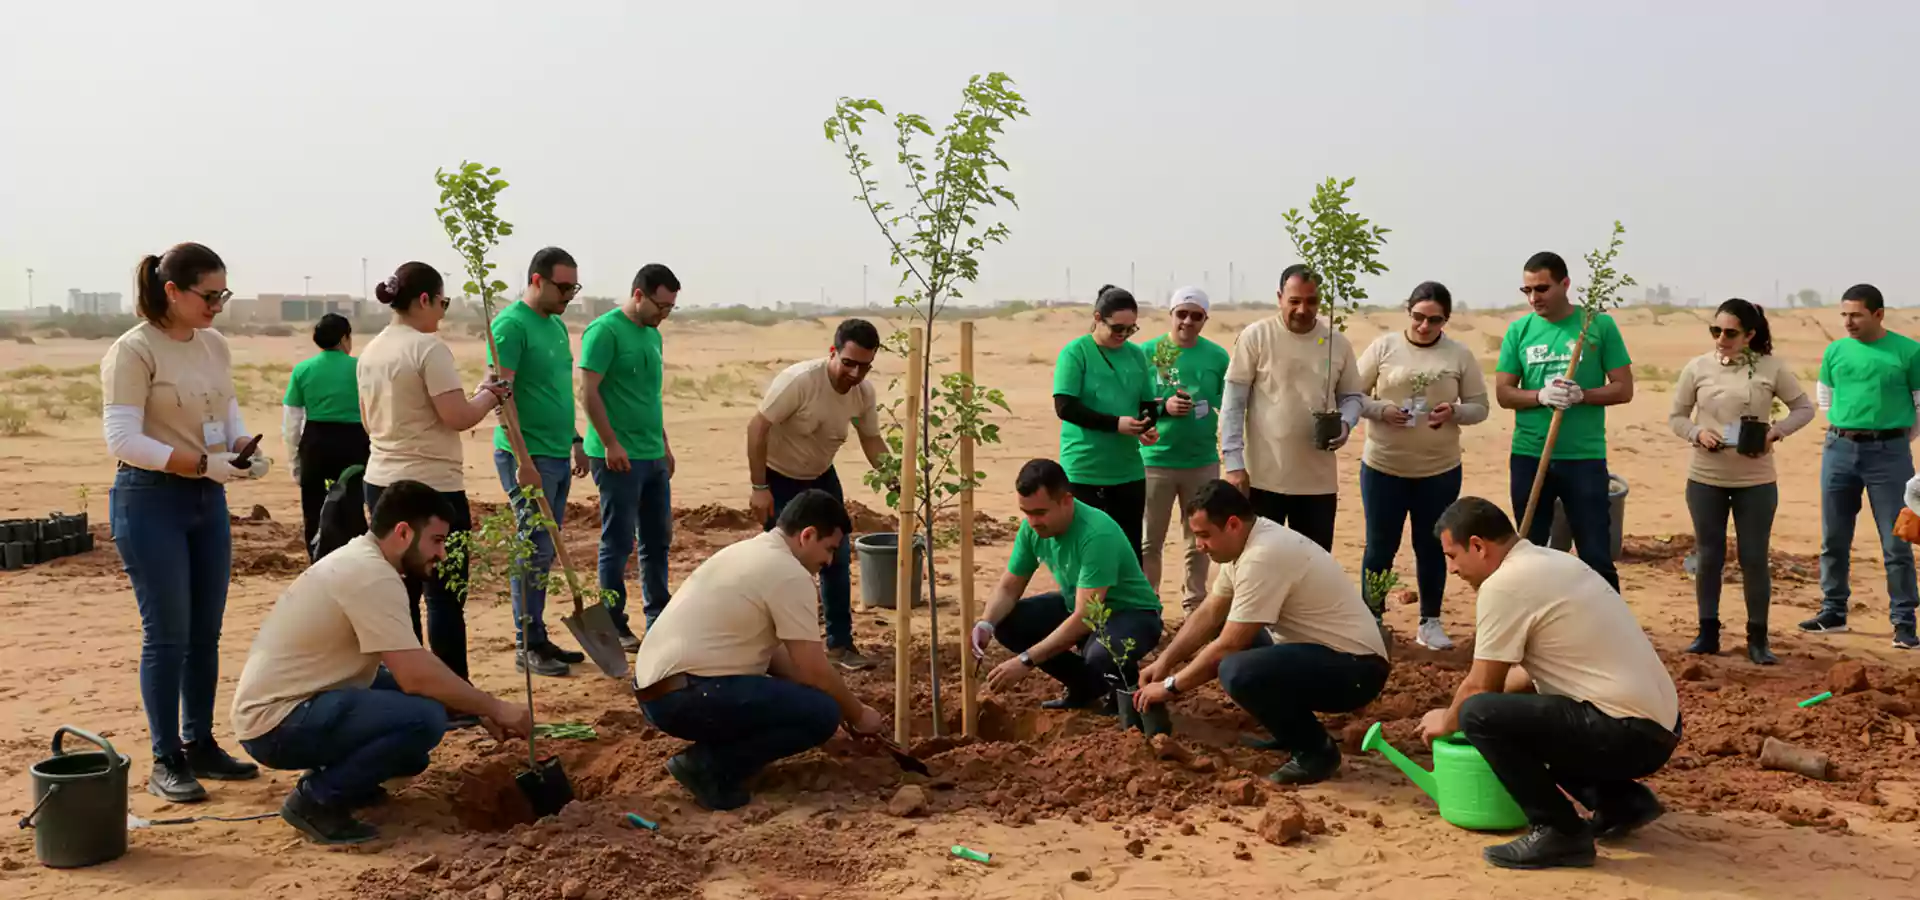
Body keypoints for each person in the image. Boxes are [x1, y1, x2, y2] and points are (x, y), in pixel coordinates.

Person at [232, 481, 534, 845]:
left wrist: (471, 702)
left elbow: (412, 665)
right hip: (277, 724)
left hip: (300, 702)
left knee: (414, 746)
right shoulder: (372, 575)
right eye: (436, 541)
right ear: (404, 532)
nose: (441, 554)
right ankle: (316, 799)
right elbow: (415, 675)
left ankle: (348, 783)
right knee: (422, 720)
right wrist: (495, 707)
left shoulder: (362, 560)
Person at [1420, 497, 1679, 870]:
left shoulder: (1504, 584)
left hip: (1626, 733)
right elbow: (1529, 676)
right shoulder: (1554, 561)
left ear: (1478, 546)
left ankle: (1560, 831)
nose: (1453, 569)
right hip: (1661, 727)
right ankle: (1620, 802)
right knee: (1526, 711)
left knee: (1478, 714)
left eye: (1453, 556)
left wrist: (1447, 719)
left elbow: (1481, 689)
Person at [102, 242, 269, 803]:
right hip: (151, 501)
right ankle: (165, 755)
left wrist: (243, 447)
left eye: (224, 293)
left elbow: (225, 411)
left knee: (206, 633)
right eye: (209, 294)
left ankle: (201, 742)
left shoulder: (213, 344)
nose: (217, 305)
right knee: (167, 635)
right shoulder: (133, 351)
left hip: (207, 501)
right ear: (171, 291)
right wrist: (200, 463)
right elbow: (123, 440)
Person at [632, 489, 887, 811]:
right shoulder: (789, 574)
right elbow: (813, 669)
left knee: (813, 705)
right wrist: (856, 713)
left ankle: (714, 756)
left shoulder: (749, 551)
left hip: (658, 692)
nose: (829, 562)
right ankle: (708, 766)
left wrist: (816, 705)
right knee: (821, 712)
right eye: (829, 549)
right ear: (807, 535)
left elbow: (780, 658)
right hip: (687, 696)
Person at [1134, 480, 1389, 784]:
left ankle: (1315, 752)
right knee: (1241, 641)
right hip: (1325, 656)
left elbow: (1228, 646)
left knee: (1236, 668)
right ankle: (1290, 731)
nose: (1199, 546)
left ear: (1231, 525)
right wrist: (1164, 663)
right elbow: (1210, 612)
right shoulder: (1246, 542)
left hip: (1357, 671)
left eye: (1204, 536)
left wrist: (1171, 686)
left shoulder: (1263, 555)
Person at [358, 262, 510, 684]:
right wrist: (489, 395)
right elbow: (457, 416)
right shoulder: (428, 349)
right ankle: (451, 691)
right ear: (423, 299)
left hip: (381, 481)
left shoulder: (371, 352)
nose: (442, 313)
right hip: (432, 486)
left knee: (399, 594)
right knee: (444, 597)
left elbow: (368, 422)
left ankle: (406, 684)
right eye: (442, 302)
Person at [1668, 299, 1815, 663]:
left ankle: (1758, 639)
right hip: (1705, 477)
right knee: (1708, 556)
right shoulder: (1697, 367)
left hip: (1756, 480)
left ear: (1749, 334)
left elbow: (1804, 408)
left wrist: (1775, 433)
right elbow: (1676, 415)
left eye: (1730, 332)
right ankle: (1707, 632)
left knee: (1753, 558)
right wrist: (1697, 433)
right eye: (1715, 330)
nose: (1721, 338)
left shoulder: (1770, 368)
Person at [746, 318, 890, 670]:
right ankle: (773, 652)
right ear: (833, 353)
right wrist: (759, 487)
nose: (855, 373)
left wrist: (896, 480)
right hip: (778, 480)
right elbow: (757, 427)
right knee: (783, 564)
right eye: (849, 363)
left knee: (836, 556)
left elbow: (871, 439)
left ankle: (840, 645)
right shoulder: (799, 382)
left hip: (822, 477)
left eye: (864, 366)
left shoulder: (863, 392)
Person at [1355, 281, 1489, 650]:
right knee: (1380, 546)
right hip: (1383, 467)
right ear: (1407, 311)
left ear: (1446, 319)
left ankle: (1430, 621)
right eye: (1418, 317)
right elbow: (1351, 393)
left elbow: (1481, 406)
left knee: (1432, 545)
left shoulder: (1458, 355)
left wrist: (1455, 411)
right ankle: (1373, 617)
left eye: (1434, 320)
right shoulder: (1384, 347)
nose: (1424, 326)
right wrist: (1381, 409)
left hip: (1439, 471)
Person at [973, 459, 1164, 711]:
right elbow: (1009, 587)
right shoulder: (1032, 529)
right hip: (1081, 605)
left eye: (1040, 512)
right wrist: (986, 624)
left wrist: (1025, 660)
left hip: (1132, 614)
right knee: (1007, 622)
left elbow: (1085, 617)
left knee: (1101, 654)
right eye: (1026, 512)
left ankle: (1124, 688)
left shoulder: (1097, 534)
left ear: (1066, 500)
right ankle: (1087, 686)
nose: (1032, 521)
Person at [1494, 251, 1634, 592]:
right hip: (1530, 454)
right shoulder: (1519, 330)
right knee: (1529, 549)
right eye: (1526, 290)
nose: (1534, 298)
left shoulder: (1596, 326)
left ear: (1565, 284)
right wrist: (1539, 396)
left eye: (1542, 288)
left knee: (1596, 553)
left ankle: (1606, 630)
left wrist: (1583, 395)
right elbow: (1503, 393)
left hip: (1583, 457)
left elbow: (1623, 388)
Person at [492, 247, 592, 676]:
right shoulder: (511, 327)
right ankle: (525, 643)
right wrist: (522, 458)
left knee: (546, 549)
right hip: (526, 456)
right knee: (531, 549)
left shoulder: (554, 327)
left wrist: (574, 439)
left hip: (555, 451)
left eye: (574, 286)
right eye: (563, 286)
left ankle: (539, 636)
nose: (569, 294)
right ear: (537, 280)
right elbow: (501, 399)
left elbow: (557, 391)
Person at [1805, 284, 1920, 650]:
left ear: (1878, 314)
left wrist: (1892, 436)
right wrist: (1847, 426)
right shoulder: (1835, 350)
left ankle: (1904, 622)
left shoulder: (1909, 351)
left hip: (1889, 452)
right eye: (1844, 315)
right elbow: (1825, 395)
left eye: (1856, 314)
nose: (1848, 322)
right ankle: (1833, 611)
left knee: (1896, 541)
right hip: (1838, 449)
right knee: (1833, 537)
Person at [1221, 265, 1363, 551]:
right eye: (1294, 301)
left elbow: (1352, 397)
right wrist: (1234, 464)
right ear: (1279, 297)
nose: (1302, 309)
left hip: (1317, 484)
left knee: (1314, 567)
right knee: (1258, 565)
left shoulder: (1337, 343)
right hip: (1262, 479)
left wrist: (1346, 423)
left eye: (1311, 301)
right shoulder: (1256, 337)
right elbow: (1234, 404)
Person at [582, 264, 680, 646]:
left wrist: (665, 445)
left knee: (657, 540)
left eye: (671, 308)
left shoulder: (653, 337)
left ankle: (658, 615)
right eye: (660, 306)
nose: (664, 315)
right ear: (638, 295)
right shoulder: (604, 332)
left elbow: (649, 398)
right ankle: (612, 620)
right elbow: (588, 392)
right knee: (618, 541)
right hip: (617, 457)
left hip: (652, 453)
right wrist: (610, 442)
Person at [1053, 285, 1161, 564]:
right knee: (1086, 554)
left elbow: (1146, 404)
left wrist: (1147, 425)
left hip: (1128, 472)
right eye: (1117, 328)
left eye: (1131, 329)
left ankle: (1129, 608)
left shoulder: (1136, 355)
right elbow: (1065, 407)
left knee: (1128, 554)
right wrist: (1116, 424)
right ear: (1098, 318)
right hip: (1084, 472)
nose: (1123, 335)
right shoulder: (1075, 352)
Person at [1140, 286, 1230, 611]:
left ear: (1205, 319)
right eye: (1182, 314)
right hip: (1155, 462)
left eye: (1196, 316)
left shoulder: (1217, 357)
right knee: (1150, 540)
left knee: (1199, 539)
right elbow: (1133, 404)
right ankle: (1147, 606)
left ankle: (1194, 606)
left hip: (1201, 461)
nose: (1188, 322)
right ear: (1171, 315)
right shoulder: (1149, 353)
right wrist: (1164, 407)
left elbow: (1229, 404)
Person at [284, 313, 370, 560]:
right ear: (345, 338)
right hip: (355, 443)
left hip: (316, 443)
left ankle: (318, 561)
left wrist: (295, 461)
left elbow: (291, 422)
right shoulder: (360, 368)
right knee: (353, 507)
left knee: (313, 510)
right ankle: (355, 562)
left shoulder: (303, 370)